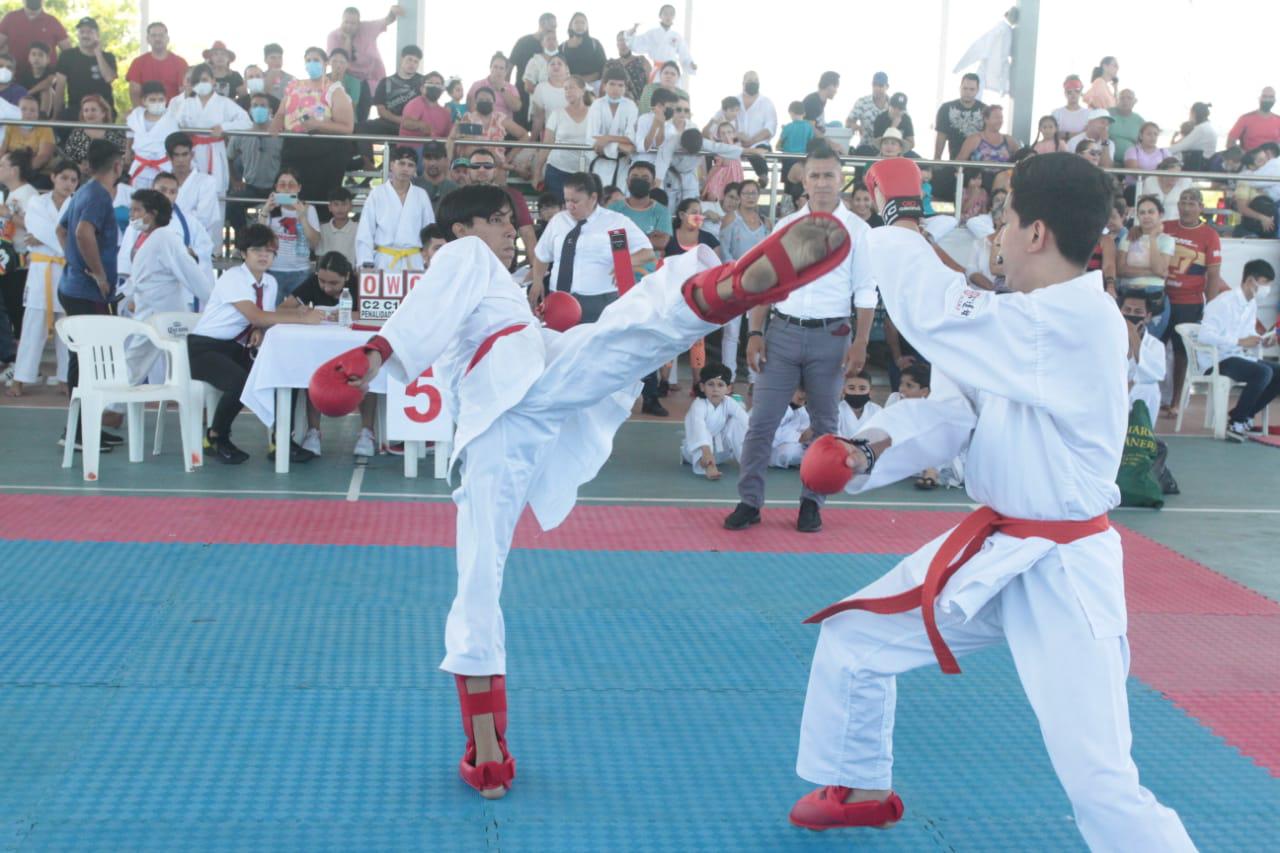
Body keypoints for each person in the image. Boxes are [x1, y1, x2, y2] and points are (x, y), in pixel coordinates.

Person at [307, 183, 847, 800]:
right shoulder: (461, 256)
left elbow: (460, 322)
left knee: (480, 570)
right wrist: (377, 351)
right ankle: (707, 295)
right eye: (500, 222)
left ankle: (487, 749)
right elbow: (435, 302)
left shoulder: (496, 282)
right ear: (462, 229)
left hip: (503, 414)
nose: (514, 233)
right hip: (525, 388)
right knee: (621, 339)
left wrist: (524, 321)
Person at [789, 153, 1196, 851]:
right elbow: (952, 414)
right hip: (998, 547)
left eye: (1005, 220)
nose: (998, 235)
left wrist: (898, 223)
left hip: (1066, 572)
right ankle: (860, 786)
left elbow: (936, 312)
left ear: (1035, 232)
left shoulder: (1080, 321)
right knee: (854, 637)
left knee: (1099, 780)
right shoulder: (1018, 321)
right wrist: (873, 446)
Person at [725, 144, 876, 534]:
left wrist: (860, 343)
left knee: (825, 427)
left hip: (833, 334)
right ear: (803, 180)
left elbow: (865, 292)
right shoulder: (785, 226)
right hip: (783, 332)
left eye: (829, 175)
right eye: (815, 175)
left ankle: (812, 503)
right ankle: (749, 501)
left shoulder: (859, 232)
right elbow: (764, 282)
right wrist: (755, 332)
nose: (822, 182)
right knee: (761, 423)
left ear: (840, 179)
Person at [188, 224, 324, 464]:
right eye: (257, 249)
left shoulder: (269, 283)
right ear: (243, 253)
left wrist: (260, 330)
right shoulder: (233, 278)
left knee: (286, 374)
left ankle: (281, 439)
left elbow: (263, 320)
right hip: (205, 348)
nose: (264, 255)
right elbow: (256, 315)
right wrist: (302, 318)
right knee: (241, 381)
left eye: (270, 251)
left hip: (237, 349)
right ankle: (215, 436)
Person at [55, 139, 124, 452]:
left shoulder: (83, 191)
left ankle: (83, 425)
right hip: (87, 291)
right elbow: (82, 231)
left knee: (82, 360)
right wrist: (97, 272)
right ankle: (80, 432)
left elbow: (62, 230)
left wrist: (73, 260)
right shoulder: (98, 195)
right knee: (86, 362)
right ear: (118, 166)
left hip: (74, 285)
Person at [530, 171, 654, 324]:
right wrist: (537, 281)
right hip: (559, 300)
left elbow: (647, 252)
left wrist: (624, 262)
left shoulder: (614, 222)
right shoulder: (558, 221)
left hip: (599, 301)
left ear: (593, 198)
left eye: (575, 201)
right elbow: (542, 255)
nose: (570, 206)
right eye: (567, 200)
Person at [286, 251, 379, 458]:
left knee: (368, 374)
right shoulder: (312, 283)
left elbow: (381, 311)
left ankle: (367, 431)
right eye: (322, 281)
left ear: (347, 276)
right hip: (321, 348)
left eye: (334, 283)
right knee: (312, 372)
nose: (327, 288)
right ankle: (313, 431)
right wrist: (301, 312)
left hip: (356, 349)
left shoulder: (362, 283)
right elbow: (284, 308)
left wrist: (354, 314)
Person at [118, 189, 211, 385]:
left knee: (179, 366)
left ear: (152, 214)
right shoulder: (144, 237)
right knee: (135, 363)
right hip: (149, 308)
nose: (131, 215)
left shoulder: (166, 238)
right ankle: (113, 407)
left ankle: (113, 408)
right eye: (131, 210)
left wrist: (213, 300)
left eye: (136, 210)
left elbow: (191, 273)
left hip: (165, 312)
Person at [6, 158, 75, 396]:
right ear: (53, 178)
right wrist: (59, 239)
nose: (68, 183)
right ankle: (20, 378)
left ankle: (66, 379)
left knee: (66, 329)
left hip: (66, 271)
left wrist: (43, 238)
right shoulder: (37, 202)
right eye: (64, 178)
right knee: (32, 327)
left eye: (73, 180)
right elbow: (37, 227)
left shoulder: (76, 205)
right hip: (41, 272)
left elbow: (70, 241)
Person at [1197, 259, 1280, 440]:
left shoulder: (1251, 304)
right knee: (1262, 372)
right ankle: (1236, 422)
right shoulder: (1223, 302)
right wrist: (1239, 341)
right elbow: (1204, 335)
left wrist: (1262, 341)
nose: (1268, 290)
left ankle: (1246, 414)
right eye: (1265, 284)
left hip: (1237, 356)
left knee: (1277, 372)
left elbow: (1248, 335)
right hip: (1217, 359)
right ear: (1251, 281)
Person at [1163, 187, 1224, 414]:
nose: (1186, 207)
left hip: (1189, 301)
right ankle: (1153, 398)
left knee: (1181, 352)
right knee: (1155, 348)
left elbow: (1214, 275)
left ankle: (1177, 401)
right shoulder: (1166, 227)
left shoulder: (1209, 235)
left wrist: (1212, 307)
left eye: (1191, 203)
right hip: (1161, 298)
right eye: (1183, 202)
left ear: (1200, 207)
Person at [271, 47, 355, 211]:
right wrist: (276, 122)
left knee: (319, 204)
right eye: (308, 60)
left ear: (325, 63)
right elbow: (281, 113)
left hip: (325, 153)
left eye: (316, 60)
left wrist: (318, 125)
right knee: (289, 199)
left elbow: (347, 127)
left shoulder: (334, 89)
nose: (311, 64)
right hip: (293, 149)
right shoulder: (294, 86)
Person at [171, 62, 252, 222]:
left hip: (215, 151)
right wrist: (185, 130)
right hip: (193, 153)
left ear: (214, 81)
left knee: (216, 199)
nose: (202, 84)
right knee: (191, 196)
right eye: (198, 81)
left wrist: (224, 127)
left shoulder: (224, 103)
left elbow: (247, 122)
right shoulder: (187, 104)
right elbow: (175, 124)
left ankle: (215, 246)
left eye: (205, 79)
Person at [355, 145, 435, 272]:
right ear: (392, 165)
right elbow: (366, 231)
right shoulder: (377, 194)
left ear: (415, 169)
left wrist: (429, 260)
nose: (405, 168)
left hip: (414, 261)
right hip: (383, 261)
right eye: (401, 163)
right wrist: (366, 262)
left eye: (410, 165)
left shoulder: (421, 195)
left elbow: (430, 232)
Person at [258, 167, 321, 298]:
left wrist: (302, 216)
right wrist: (264, 211)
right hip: (273, 270)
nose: (286, 189)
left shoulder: (309, 209)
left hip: (301, 271)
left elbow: (314, 243)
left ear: (299, 188)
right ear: (276, 188)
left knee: (298, 315)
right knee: (274, 314)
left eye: (291, 185)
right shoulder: (270, 209)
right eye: (282, 185)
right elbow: (258, 240)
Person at [464, 148, 538, 257]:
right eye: (476, 166)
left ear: (495, 170)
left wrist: (536, 270)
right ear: (468, 171)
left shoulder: (513, 196)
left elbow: (528, 234)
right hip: (467, 258)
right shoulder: (457, 197)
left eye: (487, 166)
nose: (481, 169)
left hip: (503, 260)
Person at [225, 90, 281, 231]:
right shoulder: (241, 134)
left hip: (276, 189)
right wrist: (235, 180)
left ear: (270, 110)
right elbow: (229, 158)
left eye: (263, 106)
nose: (258, 109)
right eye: (255, 105)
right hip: (251, 188)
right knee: (231, 204)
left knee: (288, 207)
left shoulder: (281, 134)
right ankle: (243, 240)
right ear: (249, 110)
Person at [682, 362, 748, 479]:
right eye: (710, 384)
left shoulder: (729, 402)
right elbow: (699, 428)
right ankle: (708, 466)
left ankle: (748, 462)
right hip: (697, 453)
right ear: (702, 387)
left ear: (728, 389)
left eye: (720, 385)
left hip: (720, 452)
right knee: (704, 431)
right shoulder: (698, 405)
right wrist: (707, 454)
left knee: (736, 422)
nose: (715, 389)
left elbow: (746, 422)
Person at [534, 76, 590, 199]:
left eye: (572, 88)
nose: (568, 92)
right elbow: (547, 144)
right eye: (565, 89)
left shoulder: (594, 113)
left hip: (585, 172)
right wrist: (537, 171)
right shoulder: (557, 113)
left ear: (582, 90)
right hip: (557, 169)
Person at [327, 5, 405, 92]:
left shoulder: (367, 27)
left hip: (373, 79)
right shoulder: (333, 36)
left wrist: (393, 10)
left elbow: (388, 20)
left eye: (353, 23)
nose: (349, 26)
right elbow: (337, 62)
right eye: (346, 22)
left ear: (359, 23)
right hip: (348, 80)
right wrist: (347, 39)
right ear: (341, 21)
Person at [165, 132, 221, 252]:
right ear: (168, 157)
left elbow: (203, 219)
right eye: (176, 155)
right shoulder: (162, 182)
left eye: (185, 154)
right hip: (166, 244)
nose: (181, 160)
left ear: (192, 155)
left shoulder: (207, 182)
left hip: (197, 245)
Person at [585, 67, 638, 193]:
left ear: (625, 88)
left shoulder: (630, 106)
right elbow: (593, 138)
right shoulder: (597, 105)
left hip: (622, 165)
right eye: (612, 84)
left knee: (620, 200)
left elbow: (631, 139)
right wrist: (619, 146)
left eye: (620, 85)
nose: (616, 89)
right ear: (604, 86)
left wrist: (607, 138)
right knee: (600, 199)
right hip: (600, 163)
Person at [1119, 288, 1166, 424]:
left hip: (1139, 397)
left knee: (1149, 387)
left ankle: (1142, 434)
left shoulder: (1155, 345)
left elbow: (1156, 374)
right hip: (1113, 395)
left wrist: (1133, 335)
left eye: (1138, 312)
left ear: (1148, 316)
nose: (1131, 315)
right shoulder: (1108, 339)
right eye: (1127, 310)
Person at [54, 17, 115, 119]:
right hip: (75, 111)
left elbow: (109, 78)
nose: (85, 35)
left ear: (97, 35)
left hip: (102, 112)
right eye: (82, 32)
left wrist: (98, 54)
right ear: (77, 35)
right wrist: (55, 115)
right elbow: (60, 88)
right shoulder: (67, 56)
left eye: (90, 32)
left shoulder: (108, 57)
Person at [123, 82, 180, 190]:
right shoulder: (136, 115)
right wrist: (127, 151)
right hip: (140, 165)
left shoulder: (171, 118)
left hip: (162, 167)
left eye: (160, 99)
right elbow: (130, 132)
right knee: (139, 199)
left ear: (166, 100)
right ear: (144, 101)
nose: (157, 103)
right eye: (152, 100)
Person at [0, 0, 69, 81]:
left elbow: (68, 52)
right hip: (15, 78)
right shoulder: (10, 18)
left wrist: (59, 73)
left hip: (45, 80)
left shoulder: (52, 21)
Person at [508, 12, 557, 126]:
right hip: (521, 93)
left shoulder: (552, 46)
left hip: (545, 99)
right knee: (520, 126)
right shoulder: (523, 42)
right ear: (542, 23)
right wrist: (508, 88)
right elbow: (510, 66)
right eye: (553, 26)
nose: (554, 29)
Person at [625, 5, 695, 83]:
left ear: (674, 17)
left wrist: (690, 64)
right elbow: (636, 44)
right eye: (665, 13)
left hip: (672, 70)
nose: (668, 16)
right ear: (660, 15)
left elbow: (684, 55)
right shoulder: (652, 33)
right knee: (657, 92)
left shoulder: (677, 36)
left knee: (674, 93)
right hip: (658, 71)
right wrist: (631, 33)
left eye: (671, 14)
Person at [58, 95, 125, 175]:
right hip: (82, 176)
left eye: (93, 110)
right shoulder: (77, 133)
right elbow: (68, 158)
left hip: (110, 175)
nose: (89, 114)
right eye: (86, 111)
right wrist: (78, 167)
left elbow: (123, 157)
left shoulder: (116, 133)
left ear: (103, 113)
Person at [126, 22, 186, 106]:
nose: (157, 39)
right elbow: (134, 92)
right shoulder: (138, 63)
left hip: (174, 113)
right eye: (153, 35)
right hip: (146, 113)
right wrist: (139, 114)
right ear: (148, 39)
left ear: (167, 39)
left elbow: (184, 92)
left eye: (161, 35)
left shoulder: (180, 63)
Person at [933, 73, 985, 161]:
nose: (968, 92)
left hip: (979, 163)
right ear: (960, 88)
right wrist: (937, 159)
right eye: (965, 88)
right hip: (955, 161)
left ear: (977, 90)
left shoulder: (985, 110)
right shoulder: (946, 108)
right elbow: (941, 136)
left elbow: (990, 138)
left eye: (972, 89)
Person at [2, 94, 54, 173]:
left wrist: (23, 171)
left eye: (32, 110)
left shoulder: (45, 128)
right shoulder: (9, 125)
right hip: (10, 168)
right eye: (23, 109)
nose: (28, 113)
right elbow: (1, 151)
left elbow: (44, 156)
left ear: (38, 114)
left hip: (35, 170)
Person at [399, 70, 452, 145]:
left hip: (435, 152)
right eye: (430, 83)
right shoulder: (416, 103)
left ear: (442, 90)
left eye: (438, 84)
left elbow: (449, 136)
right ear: (422, 88)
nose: (434, 87)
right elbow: (406, 123)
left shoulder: (445, 113)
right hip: (411, 152)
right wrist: (421, 125)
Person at [466, 52, 520, 121]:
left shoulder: (511, 88)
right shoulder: (477, 85)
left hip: (505, 126)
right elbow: (471, 108)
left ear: (506, 71)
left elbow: (517, 107)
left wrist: (501, 88)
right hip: (481, 125)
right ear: (490, 68)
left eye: (501, 68)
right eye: (495, 67)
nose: (498, 71)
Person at [1227, 87, 1280, 152]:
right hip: (1249, 159)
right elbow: (1230, 143)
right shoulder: (1245, 119)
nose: (1267, 100)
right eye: (1264, 96)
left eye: (1271, 97)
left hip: (1273, 160)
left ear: (1274, 100)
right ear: (1259, 98)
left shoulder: (1278, 120)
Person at [559, 13, 605, 86]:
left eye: (583, 22)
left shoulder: (595, 44)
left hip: (593, 87)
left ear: (587, 27)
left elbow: (603, 67)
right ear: (571, 26)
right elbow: (559, 68)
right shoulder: (562, 47)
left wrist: (584, 80)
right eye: (576, 22)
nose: (579, 25)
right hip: (571, 87)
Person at [1138, 157, 1190, 221]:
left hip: (1177, 222)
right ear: (1161, 173)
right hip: (1153, 222)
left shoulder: (1186, 181)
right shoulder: (1150, 181)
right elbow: (1144, 204)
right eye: (1171, 174)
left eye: (1178, 174)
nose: (1175, 177)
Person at [605, 30, 651, 104]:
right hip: (615, 104)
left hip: (639, 104)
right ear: (617, 44)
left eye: (626, 39)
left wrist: (645, 104)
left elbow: (651, 84)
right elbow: (604, 86)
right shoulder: (610, 63)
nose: (623, 43)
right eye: (620, 40)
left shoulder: (641, 60)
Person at [769, 388, 811, 468]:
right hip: (770, 454)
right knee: (790, 452)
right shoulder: (775, 406)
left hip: (789, 450)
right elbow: (772, 441)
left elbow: (805, 433)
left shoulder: (801, 411)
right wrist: (800, 437)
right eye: (801, 390)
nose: (804, 395)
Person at [19, 40, 61, 119]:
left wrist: (28, 93)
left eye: (40, 55)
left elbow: (49, 82)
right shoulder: (24, 74)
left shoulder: (52, 70)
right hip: (30, 104)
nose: (36, 58)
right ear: (29, 57)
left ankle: (43, 119)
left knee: (46, 90)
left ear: (48, 59)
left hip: (51, 107)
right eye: (33, 54)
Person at [847, 71, 889, 148]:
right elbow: (849, 121)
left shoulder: (894, 105)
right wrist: (855, 125)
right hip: (866, 147)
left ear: (887, 87)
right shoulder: (862, 102)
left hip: (890, 151)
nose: (877, 88)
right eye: (874, 85)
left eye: (880, 85)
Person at [1169, 102, 1216, 171]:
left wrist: (1161, 152)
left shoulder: (1201, 129)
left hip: (1198, 165)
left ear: (1194, 113)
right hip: (1204, 162)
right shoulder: (1207, 127)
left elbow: (1182, 146)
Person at [318, 187, 356, 266]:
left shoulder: (358, 229)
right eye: (336, 204)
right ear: (330, 207)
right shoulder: (323, 229)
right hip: (328, 276)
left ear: (351, 206)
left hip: (351, 275)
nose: (340, 208)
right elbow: (320, 257)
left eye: (344, 204)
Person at [416, 140, 459, 205]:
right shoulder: (412, 186)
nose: (432, 163)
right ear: (422, 160)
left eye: (437, 158)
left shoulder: (454, 189)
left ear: (446, 160)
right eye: (428, 158)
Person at [837, 371, 880, 436]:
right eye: (851, 388)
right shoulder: (836, 411)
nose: (857, 392)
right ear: (843, 391)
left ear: (870, 392)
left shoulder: (877, 410)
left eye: (862, 389)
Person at [1108, 89, 1143, 164]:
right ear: (1117, 100)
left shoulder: (1139, 120)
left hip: (1130, 163)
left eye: (1129, 98)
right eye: (1122, 98)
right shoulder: (1107, 114)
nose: (1125, 100)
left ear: (1134, 101)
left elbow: (1143, 143)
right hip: (1107, 160)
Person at [1051, 75, 1089, 140]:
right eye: (1069, 92)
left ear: (1080, 93)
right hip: (1061, 150)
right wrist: (1080, 133)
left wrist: (1065, 135)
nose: (1073, 94)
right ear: (1065, 93)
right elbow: (1052, 135)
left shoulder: (1088, 113)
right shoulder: (1056, 113)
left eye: (1076, 91)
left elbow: (1089, 134)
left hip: (1082, 150)